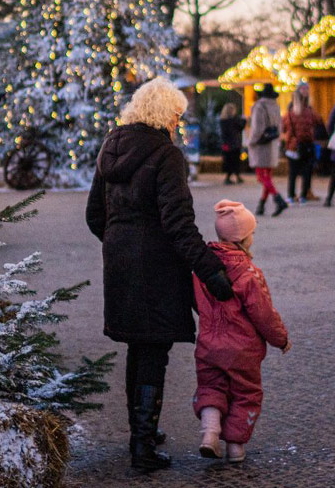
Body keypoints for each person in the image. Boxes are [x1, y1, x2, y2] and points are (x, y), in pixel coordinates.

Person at [87, 78, 236, 473]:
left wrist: (120, 243)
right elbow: (178, 224)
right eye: (175, 116)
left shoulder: (110, 147)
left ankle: (142, 434)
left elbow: (94, 216)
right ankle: (143, 449)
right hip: (155, 267)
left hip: (120, 263)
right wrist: (212, 272)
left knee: (139, 347)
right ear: (162, 114)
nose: (177, 123)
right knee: (153, 351)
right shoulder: (166, 156)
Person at [194, 200, 290, 465]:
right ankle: (235, 448)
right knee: (245, 394)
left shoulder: (203, 270)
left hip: (209, 345)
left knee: (211, 387)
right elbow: (263, 313)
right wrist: (280, 339)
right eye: (252, 233)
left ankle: (209, 434)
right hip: (242, 351)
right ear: (244, 238)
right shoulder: (249, 272)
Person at [246, 85, 286, 216]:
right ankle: (261, 205)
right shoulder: (276, 106)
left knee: (261, 177)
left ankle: (278, 198)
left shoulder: (259, 106)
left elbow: (257, 128)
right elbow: (280, 127)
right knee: (267, 177)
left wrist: (251, 142)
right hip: (272, 144)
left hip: (261, 145)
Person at [281, 85, 324, 203]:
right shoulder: (310, 112)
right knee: (306, 172)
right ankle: (303, 196)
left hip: (292, 146)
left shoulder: (289, 114)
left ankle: (291, 195)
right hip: (307, 145)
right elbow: (319, 121)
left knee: (293, 173)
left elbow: (284, 128)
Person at [219, 102, 246, 184]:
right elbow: (242, 125)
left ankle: (230, 177)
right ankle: (236, 176)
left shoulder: (223, 121)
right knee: (236, 160)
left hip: (226, 144)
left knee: (229, 161)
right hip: (235, 143)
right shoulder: (235, 120)